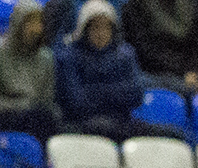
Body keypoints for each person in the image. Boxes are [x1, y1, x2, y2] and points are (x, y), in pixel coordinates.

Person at [55, 0, 187, 141]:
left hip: (122, 122)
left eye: (106, 28)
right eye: (95, 27)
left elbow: (136, 94)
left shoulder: (125, 54)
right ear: (84, 29)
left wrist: (96, 91)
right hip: (84, 124)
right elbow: (77, 102)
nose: (101, 33)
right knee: (102, 127)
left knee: (173, 135)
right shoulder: (69, 57)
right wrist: (115, 93)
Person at [0, 1, 60, 140]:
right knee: (34, 118)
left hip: (34, 117)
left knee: (51, 118)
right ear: (18, 25)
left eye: (39, 23)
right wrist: (23, 105)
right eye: (30, 23)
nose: (36, 29)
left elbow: (46, 101)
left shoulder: (46, 57)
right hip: (0, 118)